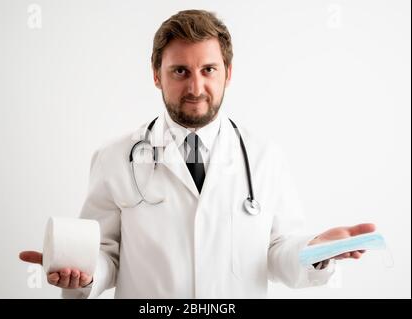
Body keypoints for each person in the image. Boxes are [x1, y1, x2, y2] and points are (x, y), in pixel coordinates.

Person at [19, 9, 375, 298]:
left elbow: (278, 251)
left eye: (208, 70)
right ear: (156, 75)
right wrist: (82, 274)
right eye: (180, 71)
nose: (195, 86)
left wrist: (315, 252)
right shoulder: (115, 158)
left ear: (228, 73)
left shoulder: (265, 157)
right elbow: (106, 255)